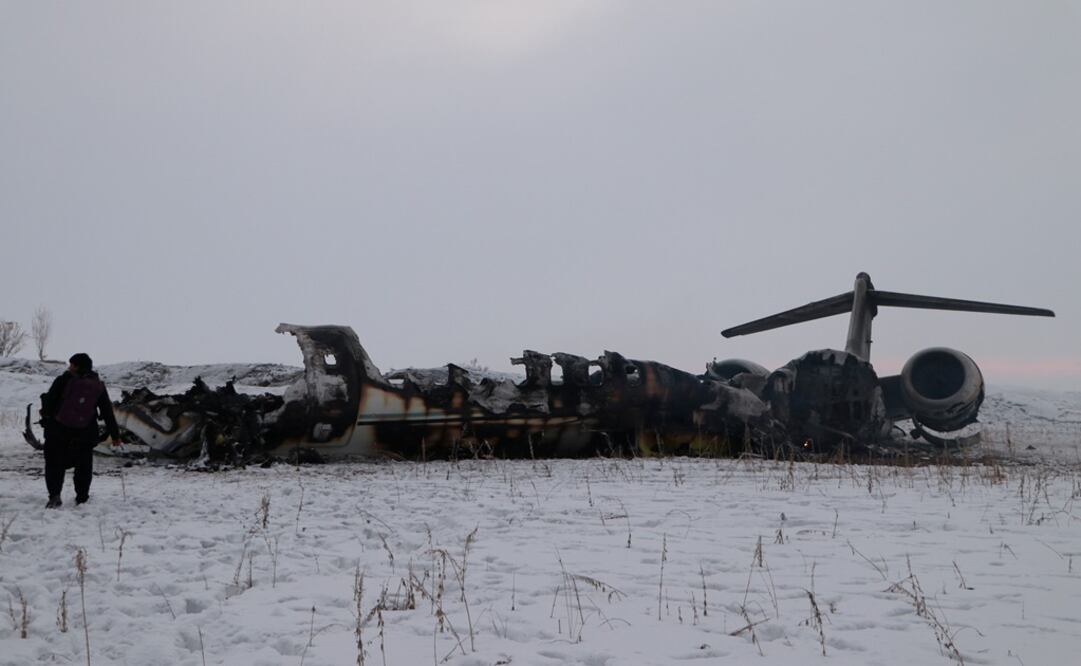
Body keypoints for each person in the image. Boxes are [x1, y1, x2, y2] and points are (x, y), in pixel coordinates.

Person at [40, 353, 121, 508]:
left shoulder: (63, 380)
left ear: (77, 366)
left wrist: (46, 414)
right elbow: (107, 412)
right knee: (84, 466)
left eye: (72, 364)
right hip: (86, 433)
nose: (69, 367)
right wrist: (115, 435)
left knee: (54, 464)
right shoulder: (97, 385)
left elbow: (49, 403)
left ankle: (55, 496)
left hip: (58, 431)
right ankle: (82, 497)